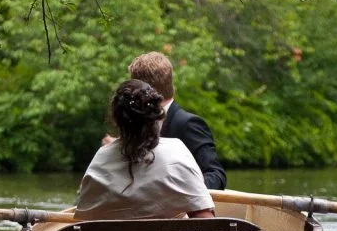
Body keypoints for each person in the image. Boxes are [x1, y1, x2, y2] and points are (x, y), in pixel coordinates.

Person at [76, 79, 216, 221]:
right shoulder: (176, 151)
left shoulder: (100, 159)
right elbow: (205, 221)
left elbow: (86, 223)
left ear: (117, 121)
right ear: (157, 116)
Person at [103, 51, 227, 190]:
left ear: (146, 91)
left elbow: (216, 175)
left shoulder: (188, 124)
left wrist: (182, 193)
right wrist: (118, 147)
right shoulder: (135, 123)